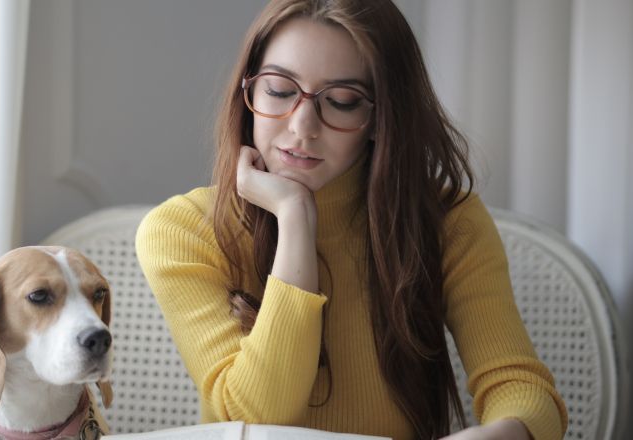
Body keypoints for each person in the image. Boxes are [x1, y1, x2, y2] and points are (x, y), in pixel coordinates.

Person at [136, 1, 567, 439]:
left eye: (342, 102)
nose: (302, 126)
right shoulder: (182, 231)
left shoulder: (449, 223)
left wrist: (509, 432)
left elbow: (522, 389)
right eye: (280, 90)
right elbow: (254, 415)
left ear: (381, 117)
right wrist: (295, 218)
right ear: (248, 93)